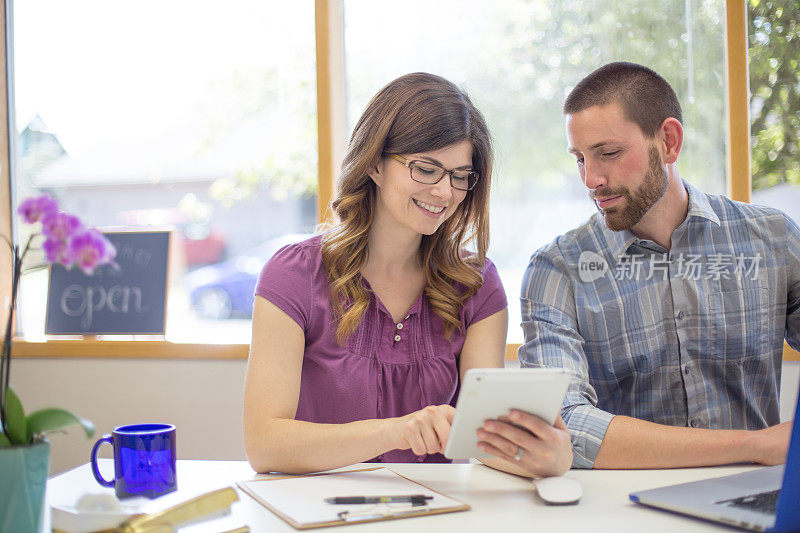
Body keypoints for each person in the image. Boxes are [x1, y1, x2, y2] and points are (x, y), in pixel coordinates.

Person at [244, 72, 572, 476]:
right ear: (376, 165)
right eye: (426, 168)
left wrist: (548, 458)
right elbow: (265, 445)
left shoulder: (476, 285)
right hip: (320, 511)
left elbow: (486, 442)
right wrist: (395, 432)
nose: (445, 193)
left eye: (459, 176)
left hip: (436, 511)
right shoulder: (293, 275)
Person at [484, 62, 799, 469]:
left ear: (668, 141)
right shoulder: (556, 271)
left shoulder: (773, 238)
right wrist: (757, 445)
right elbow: (565, 425)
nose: (590, 179)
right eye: (579, 159)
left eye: (608, 153)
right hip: (623, 512)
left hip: (756, 501)